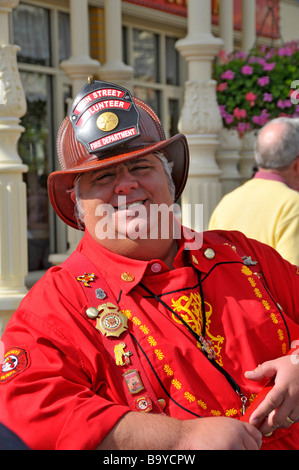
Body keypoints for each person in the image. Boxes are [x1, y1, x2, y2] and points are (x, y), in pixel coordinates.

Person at [0, 80, 299, 451]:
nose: (126, 186)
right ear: (78, 206)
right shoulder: (54, 307)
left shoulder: (247, 256)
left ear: (170, 181)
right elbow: (29, 414)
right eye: (103, 176)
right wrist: (178, 438)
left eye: (141, 166)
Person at [209, 117, 299, 266]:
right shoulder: (293, 205)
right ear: (297, 165)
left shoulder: (226, 202)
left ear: (257, 156)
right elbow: (293, 281)